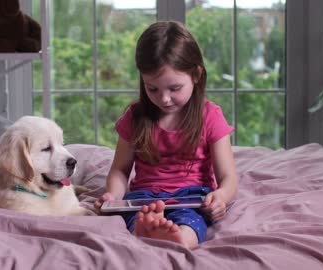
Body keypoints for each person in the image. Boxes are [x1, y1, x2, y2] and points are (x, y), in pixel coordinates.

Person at [94, 21, 239, 249]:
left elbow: (229, 176)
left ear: (196, 75)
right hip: (144, 199)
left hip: (192, 198)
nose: (164, 99)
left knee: (193, 222)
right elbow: (120, 170)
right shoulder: (135, 118)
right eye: (153, 89)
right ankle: (146, 230)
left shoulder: (210, 116)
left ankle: (179, 239)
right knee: (137, 217)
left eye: (174, 89)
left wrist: (220, 197)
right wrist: (113, 196)